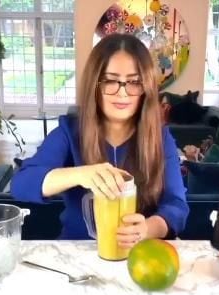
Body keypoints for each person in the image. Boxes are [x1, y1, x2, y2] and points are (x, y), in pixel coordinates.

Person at [11, 33, 189, 248]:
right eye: (111, 80)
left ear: (146, 89)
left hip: (139, 255)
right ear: (94, 84)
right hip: (77, 254)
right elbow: (22, 183)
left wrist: (147, 229)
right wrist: (81, 173)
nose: (122, 93)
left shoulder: (160, 138)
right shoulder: (69, 132)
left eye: (134, 82)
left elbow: (177, 206)